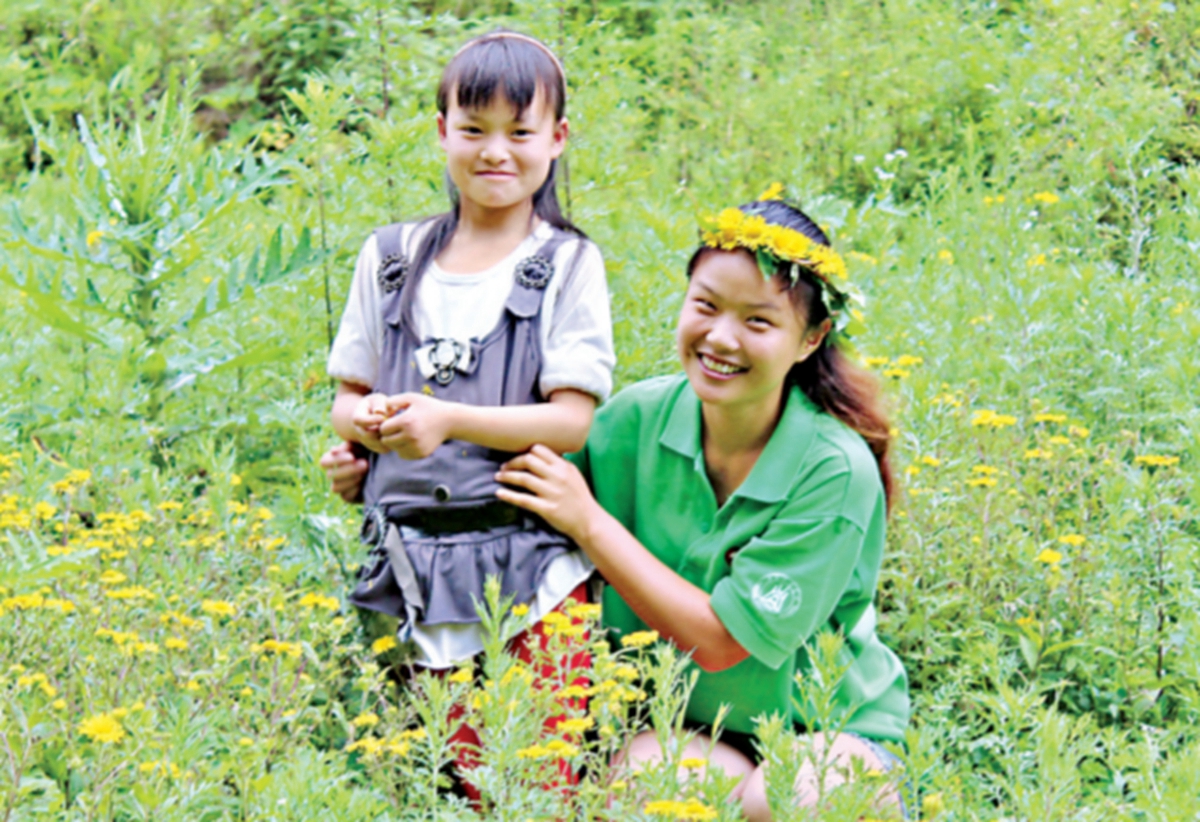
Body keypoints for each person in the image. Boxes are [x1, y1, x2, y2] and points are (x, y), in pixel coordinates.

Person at [324, 190, 909, 819]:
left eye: (758, 322)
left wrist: (591, 522)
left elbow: (721, 642)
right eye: (705, 306)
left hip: (825, 733)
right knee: (641, 790)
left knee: (794, 799)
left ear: (810, 338)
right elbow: (504, 495)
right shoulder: (636, 418)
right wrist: (384, 470)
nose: (721, 337)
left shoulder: (831, 468)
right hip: (680, 724)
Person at [325, 30, 613, 682]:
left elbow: (571, 421)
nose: (495, 152)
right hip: (405, 579)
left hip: (533, 580)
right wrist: (368, 429)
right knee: (417, 777)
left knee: (535, 777)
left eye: (519, 133)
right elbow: (346, 401)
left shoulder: (567, 262)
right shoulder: (390, 259)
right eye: (474, 128)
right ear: (442, 130)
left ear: (557, 139)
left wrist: (446, 419)